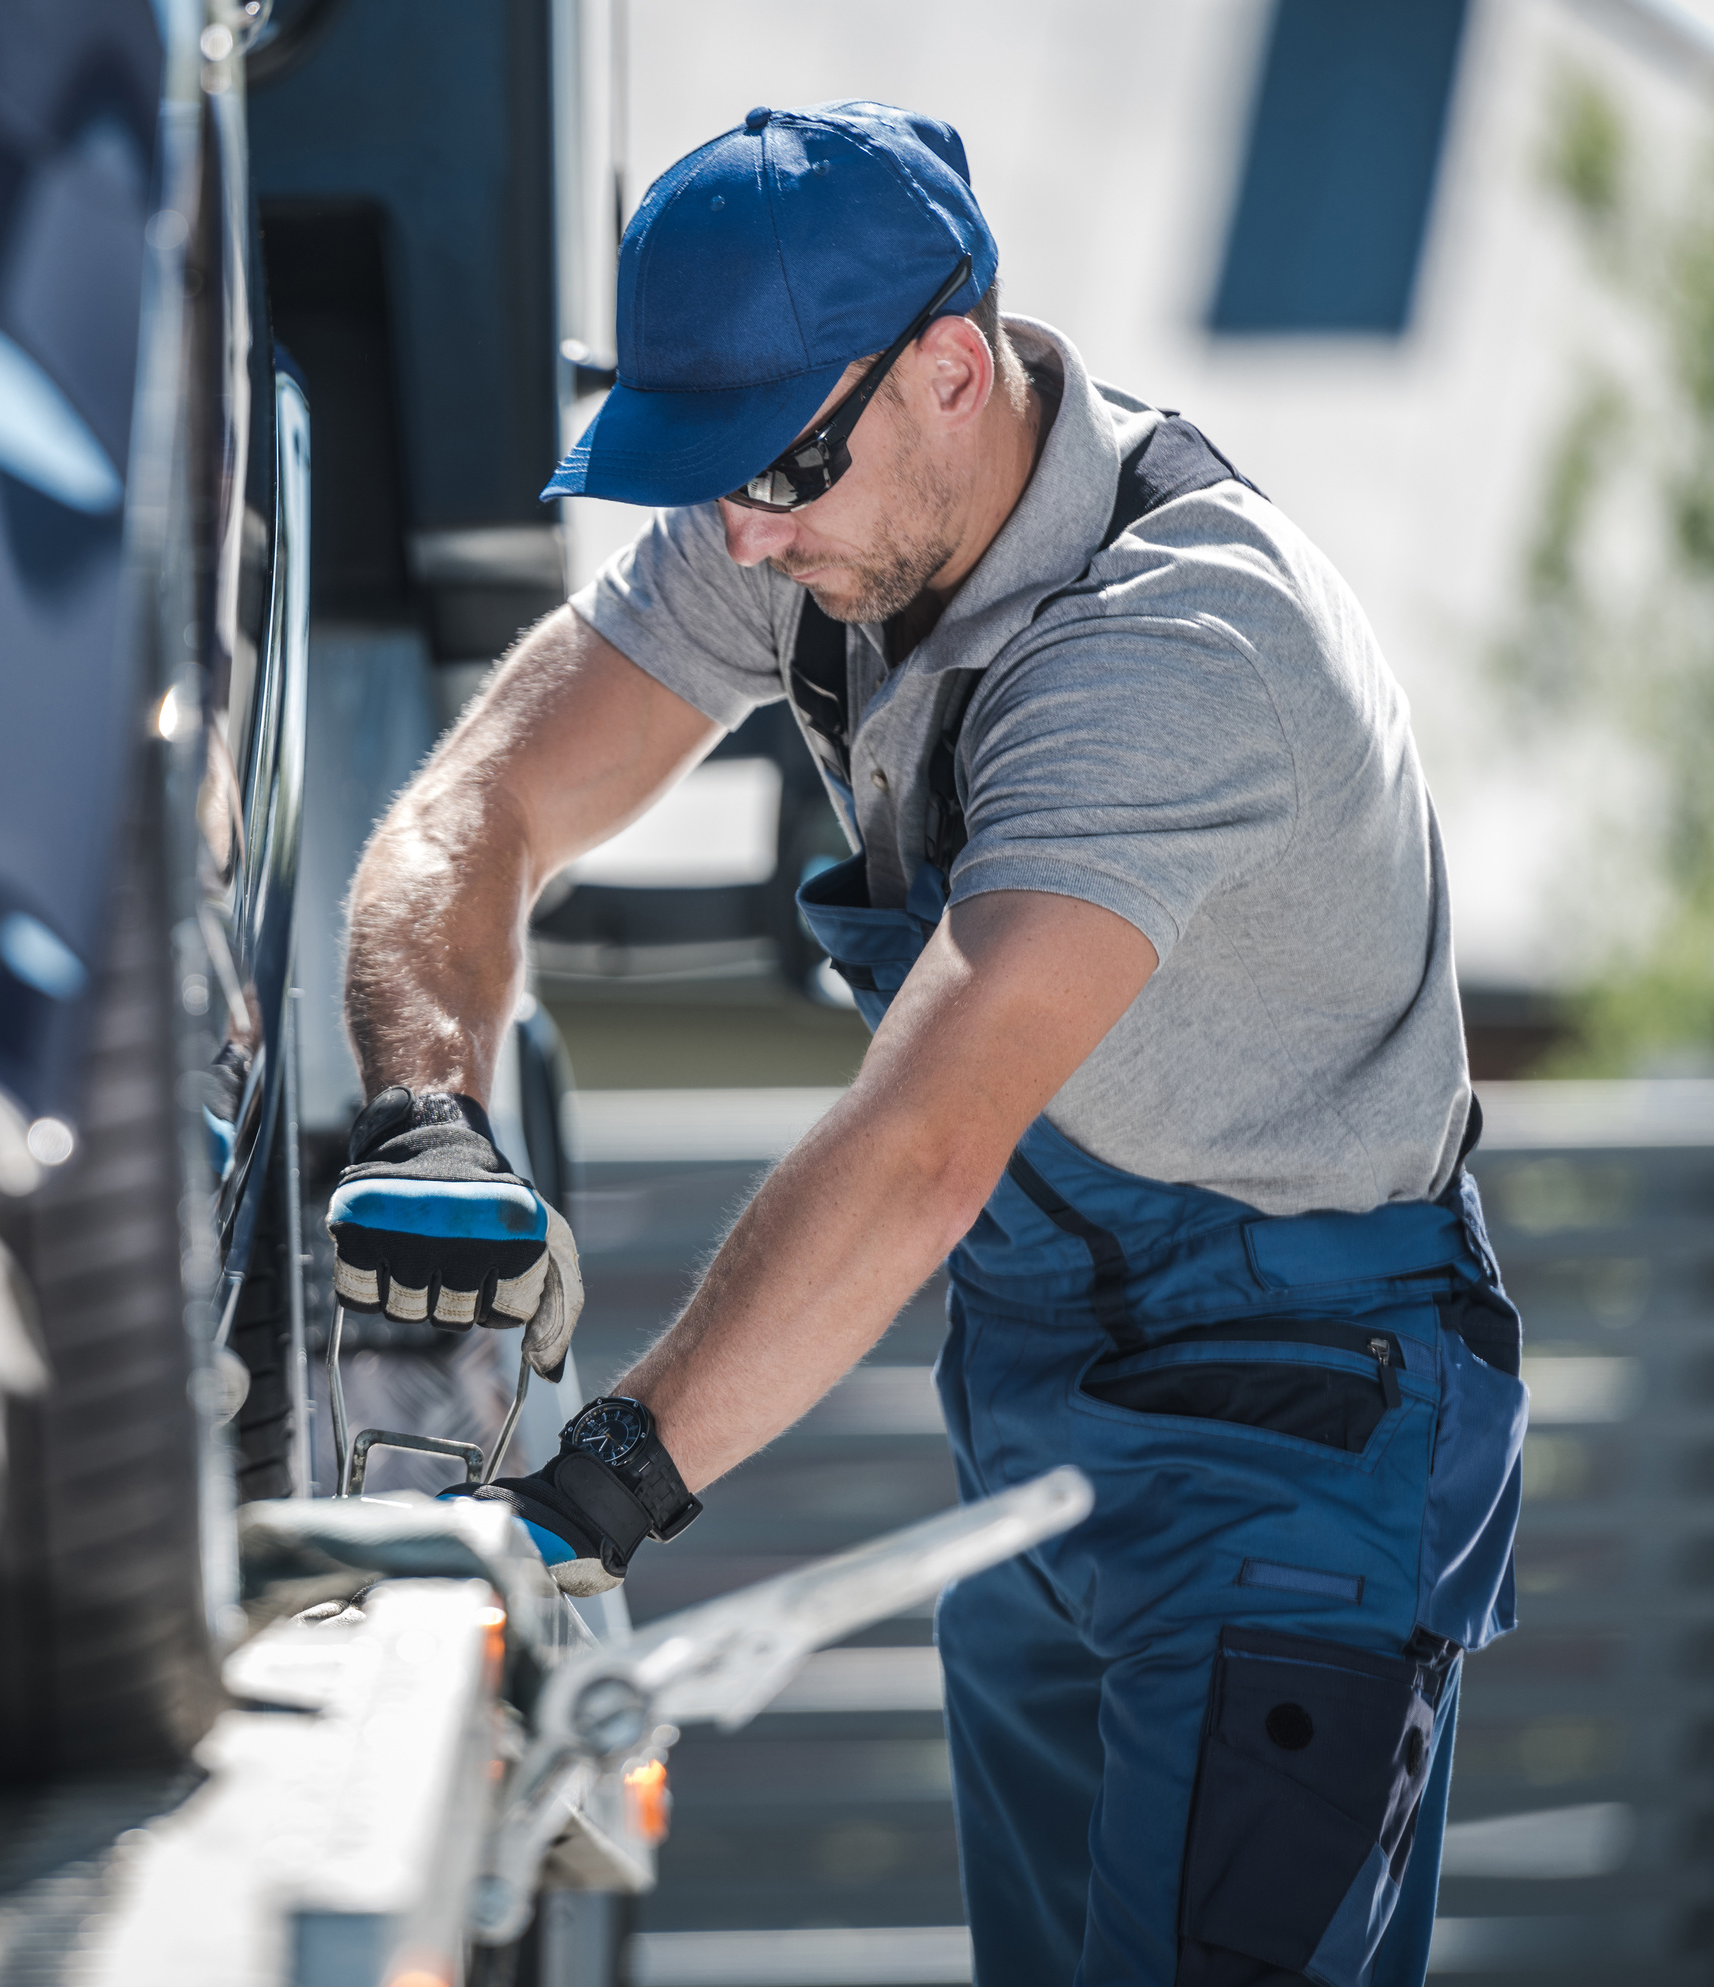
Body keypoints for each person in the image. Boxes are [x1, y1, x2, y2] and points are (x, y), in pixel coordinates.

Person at [321, 101, 1526, 1987]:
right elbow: (472, 820)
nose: (738, 528)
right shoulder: (815, 506)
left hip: (1300, 1431)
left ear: (955, 372)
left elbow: (925, 1151)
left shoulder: (1177, 654)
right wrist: (427, 1125)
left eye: (777, 471)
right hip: (1047, 1389)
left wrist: (592, 1503)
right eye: (706, 475)